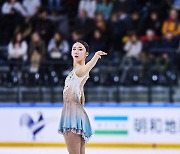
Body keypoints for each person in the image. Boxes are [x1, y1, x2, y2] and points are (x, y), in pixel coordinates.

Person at [58, 40, 107, 154]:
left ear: (86, 54)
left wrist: (95, 57)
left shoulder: (81, 70)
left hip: (72, 116)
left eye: (80, 49)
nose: (76, 51)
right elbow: (80, 87)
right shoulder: (74, 71)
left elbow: (84, 70)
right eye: (74, 48)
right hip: (76, 113)